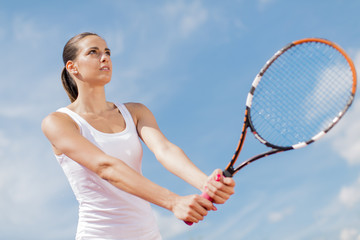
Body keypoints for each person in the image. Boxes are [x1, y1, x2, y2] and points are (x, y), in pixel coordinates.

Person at [41, 32, 235, 240]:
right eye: (93, 52)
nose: (105, 57)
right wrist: (173, 201)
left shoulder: (135, 112)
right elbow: (106, 167)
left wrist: (206, 183)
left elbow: (165, 150)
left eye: (107, 52)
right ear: (73, 67)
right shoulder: (58, 122)